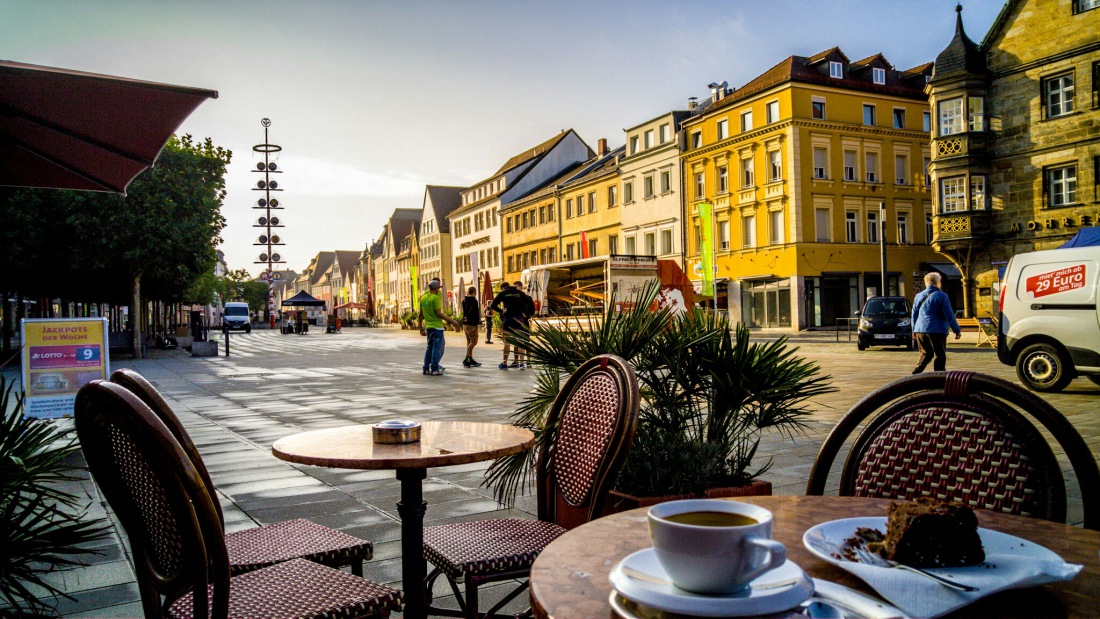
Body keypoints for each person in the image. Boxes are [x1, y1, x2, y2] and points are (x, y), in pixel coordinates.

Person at [911, 272, 962, 374]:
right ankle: (939, 377)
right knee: (940, 355)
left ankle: (916, 373)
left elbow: (914, 314)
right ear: (938, 283)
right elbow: (949, 314)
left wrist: (914, 330)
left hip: (920, 329)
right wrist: (956, 330)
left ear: (926, 283)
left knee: (926, 353)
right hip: (937, 330)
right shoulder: (941, 296)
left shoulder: (918, 296)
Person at [418, 278, 460, 376]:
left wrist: (421, 328)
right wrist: (453, 322)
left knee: (429, 348)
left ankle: (425, 368)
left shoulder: (423, 298)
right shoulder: (435, 298)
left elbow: (420, 315)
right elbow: (439, 314)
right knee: (436, 348)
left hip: (428, 327)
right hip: (437, 327)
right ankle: (434, 368)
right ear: (436, 288)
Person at [489, 282, 525, 370]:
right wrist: (524, 313)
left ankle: (504, 363)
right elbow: (528, 303)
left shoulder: (503, 293)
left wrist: (501, 311)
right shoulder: (520, 293)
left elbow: (493, 305)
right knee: (520, 342)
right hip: (519, 319)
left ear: (504, 288)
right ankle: (522, 363)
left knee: (507, 342)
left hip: (508, 319)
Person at [461, 286, 483, 367]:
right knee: (474, 341)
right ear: (475, 292)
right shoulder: (474, 301)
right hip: (472, 323)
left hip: (465, 324)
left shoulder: (464, 300)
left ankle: (470, 358)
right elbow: (473, 312)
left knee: (469, 341)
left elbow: (465, 311)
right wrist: (477, 321)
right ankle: (467, 358)